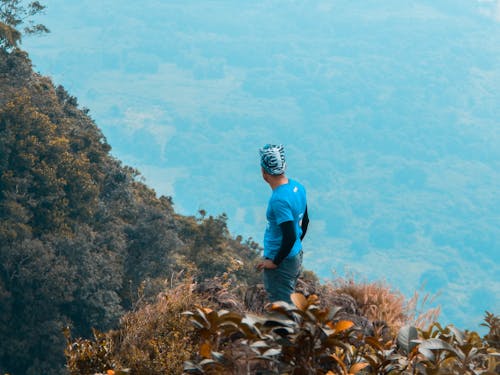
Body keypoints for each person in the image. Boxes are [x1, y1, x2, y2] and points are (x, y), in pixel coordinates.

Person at [256, 144, 309, 304]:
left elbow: (290, 235)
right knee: (288, 299)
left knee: (282, 307)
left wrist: (274, 262)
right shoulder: (297, 187)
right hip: (294, 255)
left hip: (282, 262)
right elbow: (304, 221)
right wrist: (295, 247)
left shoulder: (279, 199)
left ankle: (289, 329)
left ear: (264, 172)